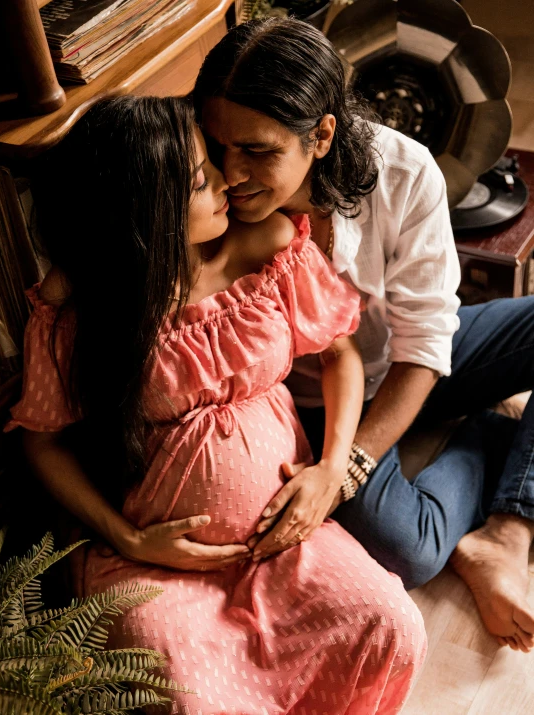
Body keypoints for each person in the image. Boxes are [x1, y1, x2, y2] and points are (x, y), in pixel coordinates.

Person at [6, 95, 426, 714]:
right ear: (147, 214)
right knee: (193, 701)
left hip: (283, 540)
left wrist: (334, 468)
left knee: (390, 622)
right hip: (157, 563)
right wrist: (129, 539)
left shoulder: (272, 248)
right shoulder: (80, 313)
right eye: (203, 180)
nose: (229, 181)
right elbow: (41, 440)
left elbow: (341, 357)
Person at [192, 16, 534, 653]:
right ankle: (486, 434)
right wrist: (328, 465)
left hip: (405, 367)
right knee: (410, 550)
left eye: (259, 151)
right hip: (315, 408)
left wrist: (345, 470)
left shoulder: (404, 170)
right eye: (217, 148)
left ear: (321, 135)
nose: (231, 175)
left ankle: (508, 528)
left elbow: (427, 337)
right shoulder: (204, 207)